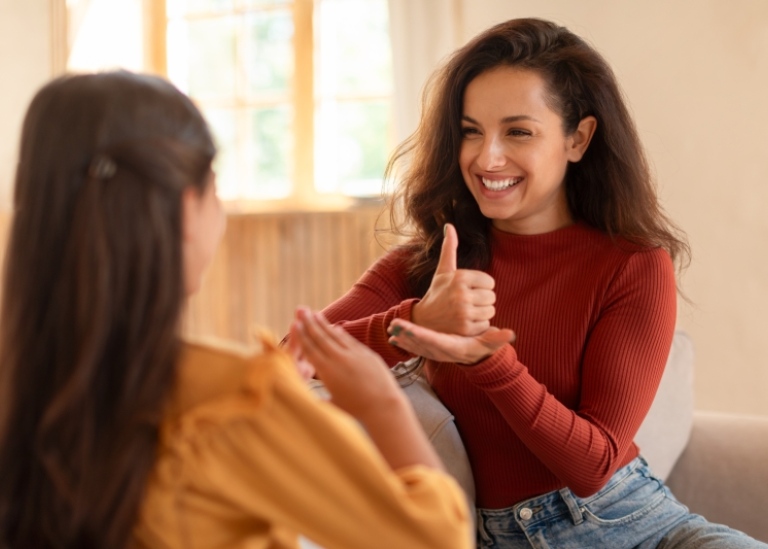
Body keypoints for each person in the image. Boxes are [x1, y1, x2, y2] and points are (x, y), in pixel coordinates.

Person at [319, 17, 768, 548]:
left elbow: (595, 464)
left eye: (518, 132)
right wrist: (413, 319)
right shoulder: (428, 266)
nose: (486, 158)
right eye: (470, 131)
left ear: (578, 138)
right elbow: (287, 361)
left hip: (636, 526)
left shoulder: (634, 266)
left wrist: (488, 361)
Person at [0, 70, 473, 549]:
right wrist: (382, 403)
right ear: (188, 210)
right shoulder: (237, 401)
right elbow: (438, 539)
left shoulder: (24, 387)